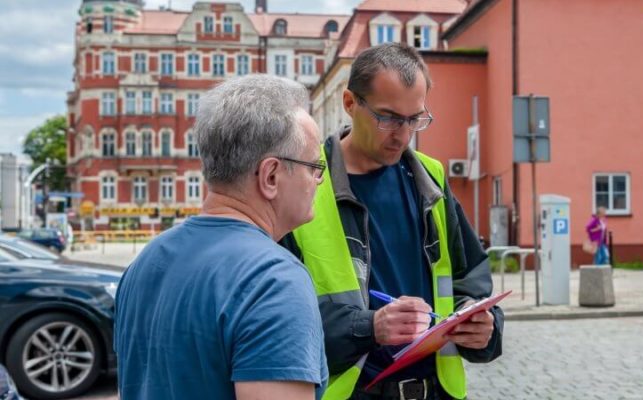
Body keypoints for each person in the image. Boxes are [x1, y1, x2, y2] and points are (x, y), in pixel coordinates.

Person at [281, 43, 503, 400]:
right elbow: (281, 313)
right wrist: (369, 327)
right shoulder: (306, 183)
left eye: (414, 119)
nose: (402, 133)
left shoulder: (430, 177)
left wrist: (482, 327)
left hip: (437, 391)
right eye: (387, 117)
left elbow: (469, 278)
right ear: (350, 103)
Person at [114, 75, 328, 400]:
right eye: (313, 166)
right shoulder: (273, 279)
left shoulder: (147, 259)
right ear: (271, 175)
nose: (317, 180)